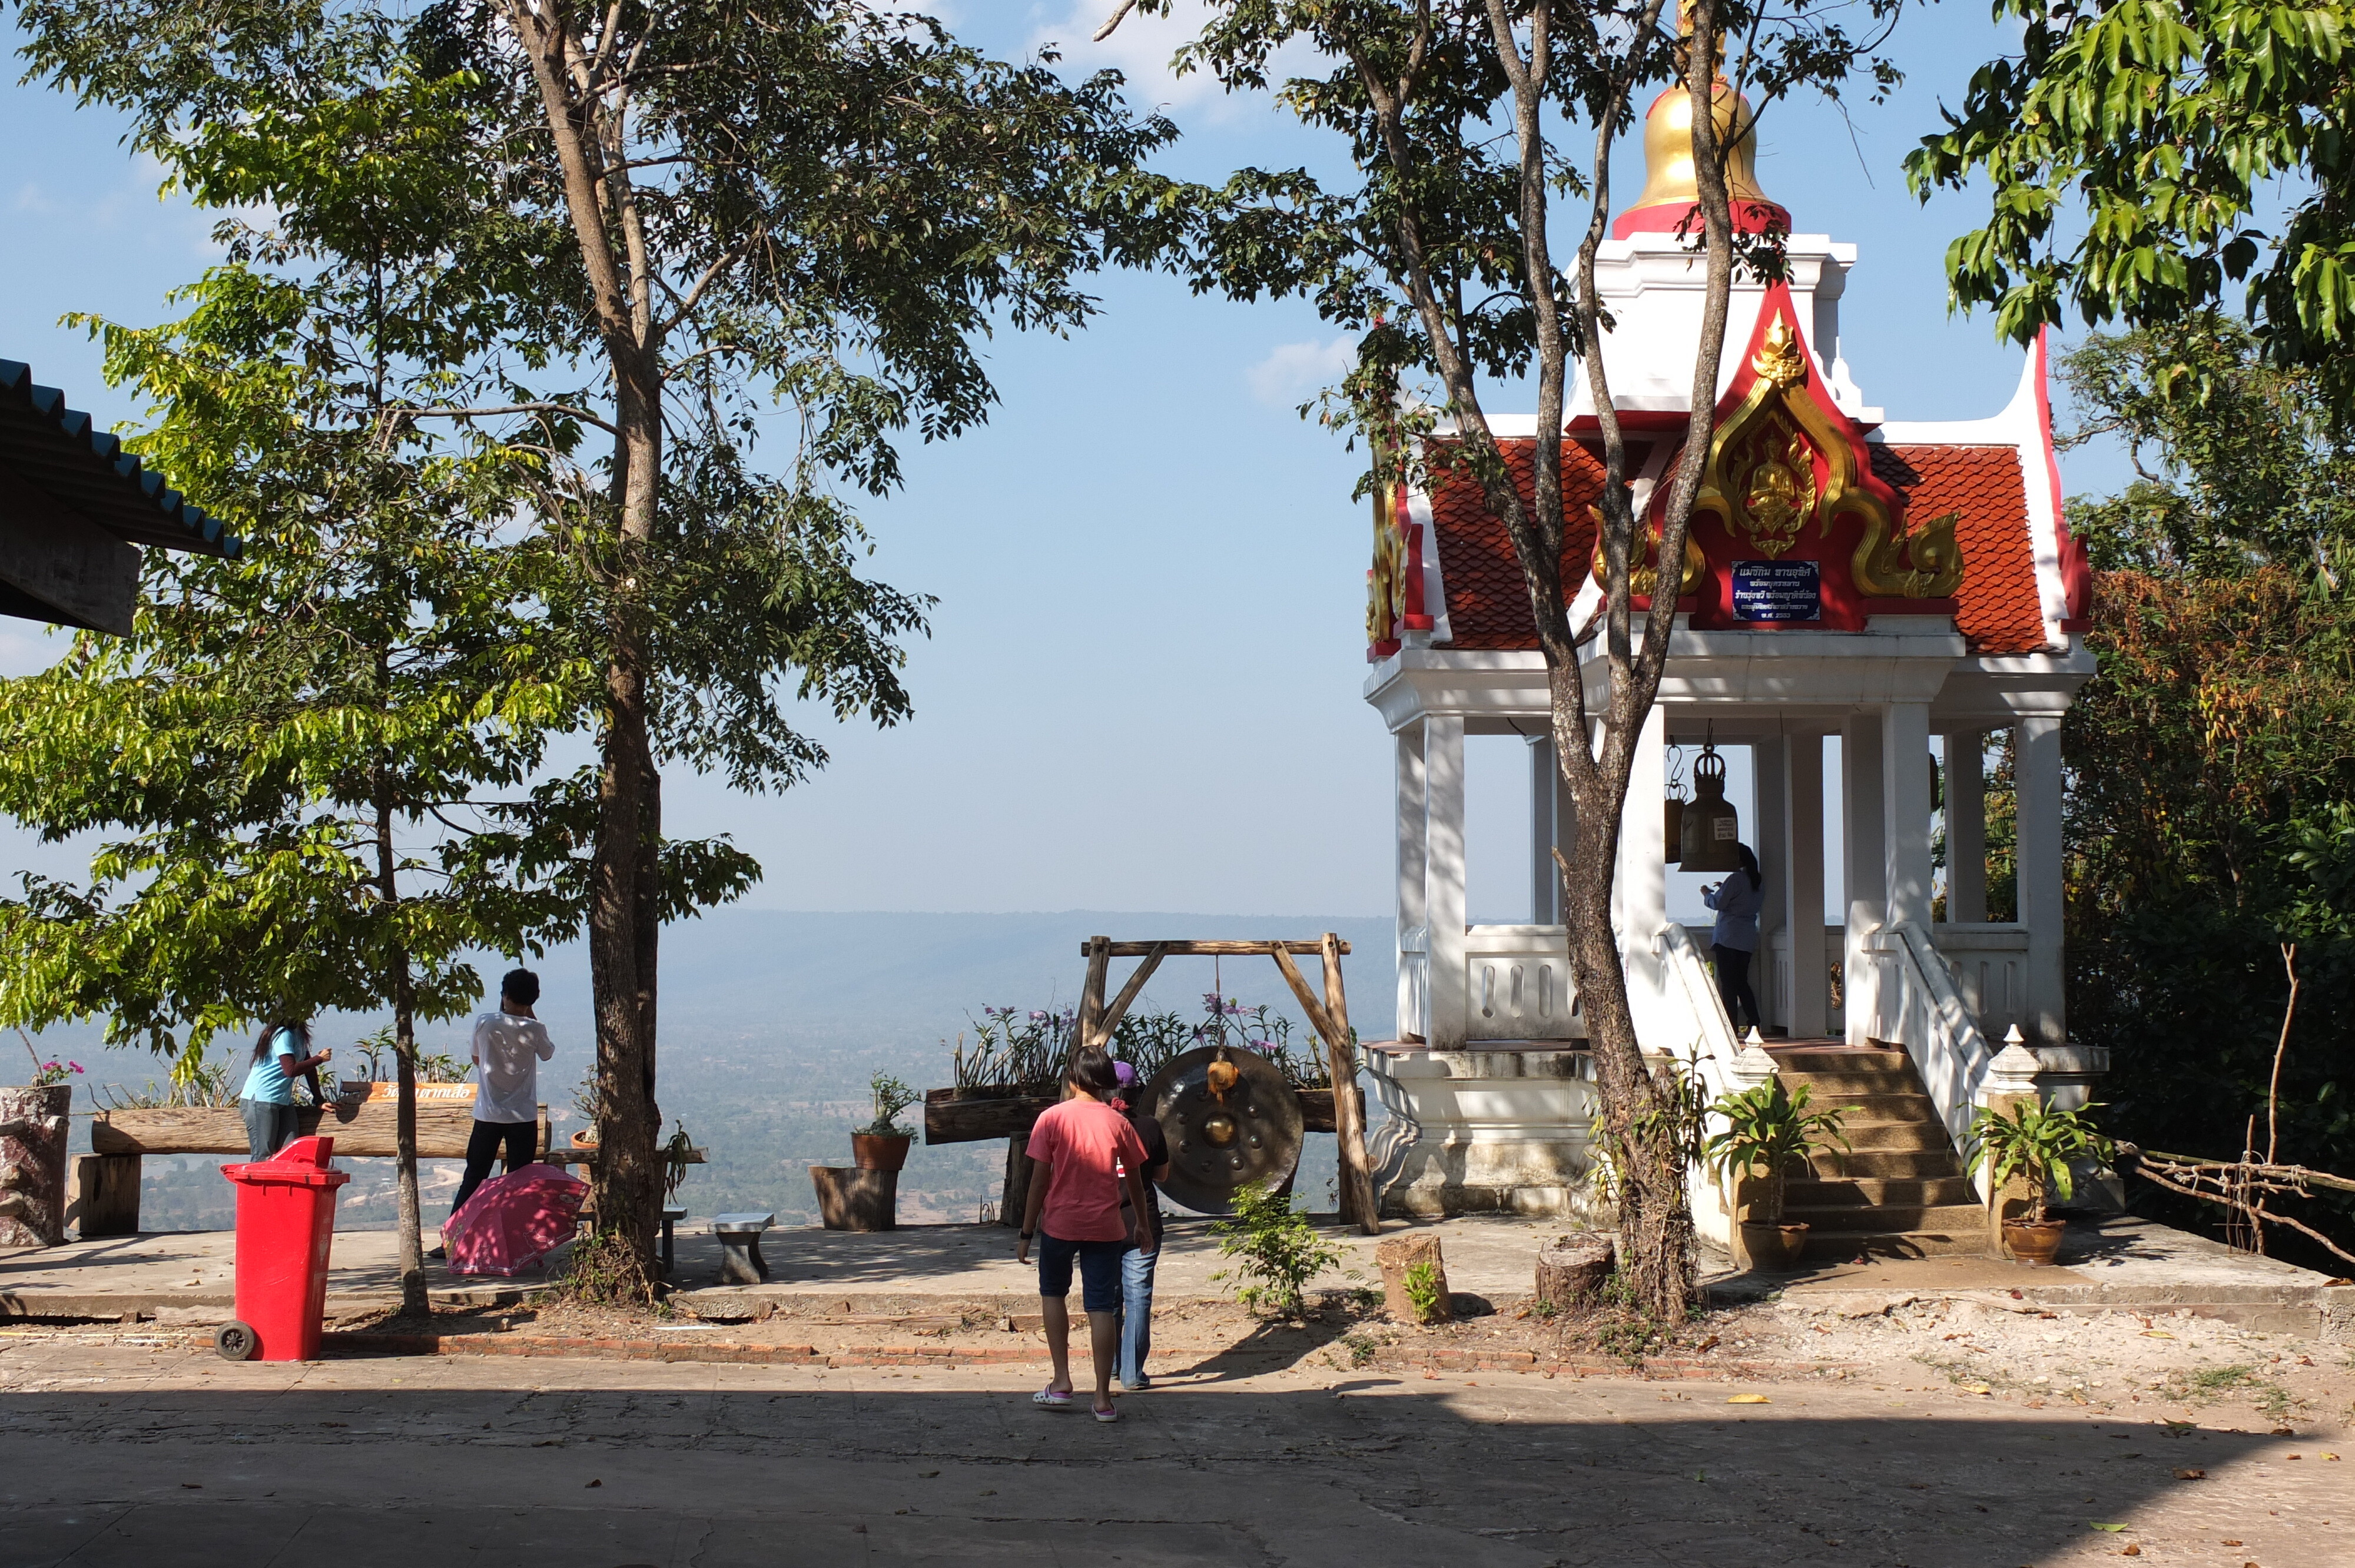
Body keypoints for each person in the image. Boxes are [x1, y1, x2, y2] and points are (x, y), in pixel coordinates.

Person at [1016, 1047, 1156, 1422]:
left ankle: (1061, 1382)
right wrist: (1141, 1224)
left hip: (1060, 1225)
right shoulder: (1118, 1123)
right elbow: (1138, 1182)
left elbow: (1038, 1182)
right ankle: (1103, 1399)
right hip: (1106, 1227)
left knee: (1053, 1294)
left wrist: (1027, 1231)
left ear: (1073, 1078)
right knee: (1100, 1307)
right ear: (1107, 1082)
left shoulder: (1051, 1119)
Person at [447, 967, 555, 1222]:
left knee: (474, 1176)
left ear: (504, 994)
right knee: (518, 1182)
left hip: (488, 1114)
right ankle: (514, 1237)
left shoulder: (485, 1022)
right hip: (523, 1117)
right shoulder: (536, 1029)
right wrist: (529, 1014)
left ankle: (454, 1236)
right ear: (533, 1000)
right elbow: (548, 1053)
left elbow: (476, 1058)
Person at [1107, 1059, 1170, 1391]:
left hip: (1103, 1223)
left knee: (1111, 1297)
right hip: (1142, 1222)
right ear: (1137, 1093)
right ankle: (1132, 1373)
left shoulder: (1096, 1127)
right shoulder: (1150, 1127)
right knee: (1138, 1296)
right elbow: (1161, 1175)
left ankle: (1115, 1367)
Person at [237, 1021, 334, 1159]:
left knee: (290, 1153)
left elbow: (309, 1070)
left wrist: (319, 1100)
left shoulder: (298, 1034)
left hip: (282, 1100)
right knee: (263, 1154)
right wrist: (320, 1059)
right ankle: (261, 1180)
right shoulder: (283, 1034)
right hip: (261, 1099)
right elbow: (291, 1070)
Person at [1703, 842, 1766, 1034]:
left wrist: (1707, 894)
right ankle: (1754, 1022)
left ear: (1739, 860)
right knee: (1741, 982)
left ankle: (1731, 1026)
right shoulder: (1757, 880)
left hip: (1728, 937)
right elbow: (1742, 900)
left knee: (1729, 985)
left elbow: (1718, 903)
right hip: (1746, 937)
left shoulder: (1735, 879)